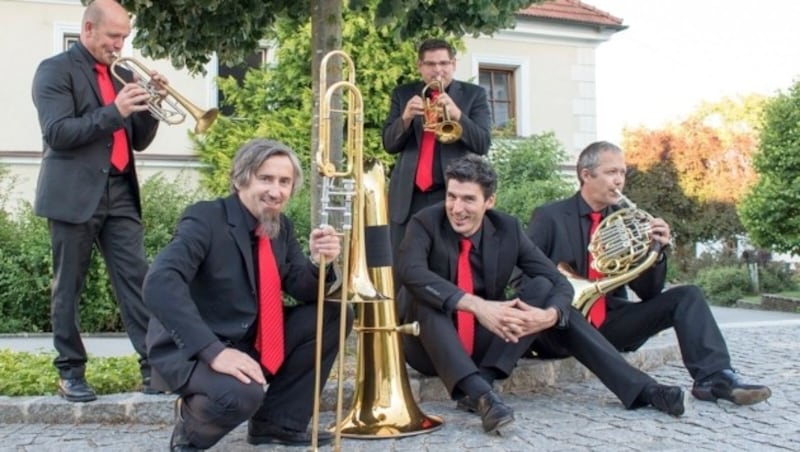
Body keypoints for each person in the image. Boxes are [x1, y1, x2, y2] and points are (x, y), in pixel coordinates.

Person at [397, 155, 687, 436]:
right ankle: (481, 395)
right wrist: (477, 306)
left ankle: (641, 389)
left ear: (489, 202)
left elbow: (557, 281)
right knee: (424, 297)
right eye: (452, 196)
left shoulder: (507, 228)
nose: (456, 208)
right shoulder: (425, 223)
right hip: (429, 343)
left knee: (545, 293)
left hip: (486, 340)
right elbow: (411, 272)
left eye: (468, 199)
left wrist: (548, 316)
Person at [526, 140, 772, 407]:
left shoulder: (626, 220)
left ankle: (714, 378)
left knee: (687, 295)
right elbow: (523, 275)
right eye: (611, 173)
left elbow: (649, 292)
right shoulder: (550, 216)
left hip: (609, 321)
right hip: (560, 327)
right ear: (586, 175)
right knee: (567, 311)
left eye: (622, 173)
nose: (619, 181)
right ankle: (647, 392)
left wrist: (657, 252)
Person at [144, 138, 352, 450]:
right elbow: (159, 282)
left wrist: (319, 262)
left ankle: (276, 424)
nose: (275, 190)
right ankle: (190, 432)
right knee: (242, 395)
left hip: (250, 340)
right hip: (196, 348)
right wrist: (214, 352)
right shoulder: (205, 218)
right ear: (241, 178)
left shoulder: (280, 225)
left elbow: (302, 288)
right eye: (265, 178)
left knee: (333, 313)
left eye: (284, 182)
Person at [31, 0, 167, 402]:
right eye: (113, 37)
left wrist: (152, 105)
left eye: (124, 37)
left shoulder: (123, 74)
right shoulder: (54, 71)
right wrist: (113, 110)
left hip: (120, 190)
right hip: (73, 194)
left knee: (139, 281)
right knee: (68, 287)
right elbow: (58, 133)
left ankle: (153, 368)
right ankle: (70, 371)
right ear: (88, 29)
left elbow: (137, 139)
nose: (120, 45)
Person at [382, 38, 491, 312]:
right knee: (403, 264)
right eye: (430, 64)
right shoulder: (403, 93)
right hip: (409, 196)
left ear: (453, 64)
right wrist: (405, 119)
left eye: (443, 63)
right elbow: (389, 143)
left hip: (449, 197)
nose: (437, 70)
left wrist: (457, 115)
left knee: (445, 264)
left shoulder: (473, 95)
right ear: (420, 66)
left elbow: (483, 144)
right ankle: (399, 335)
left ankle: (446, 326)